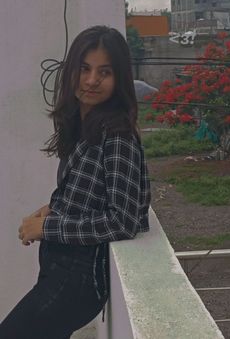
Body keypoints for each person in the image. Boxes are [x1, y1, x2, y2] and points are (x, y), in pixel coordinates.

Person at [0, 25, 151, 339]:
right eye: (84, 69)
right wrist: (52, 208)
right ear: (71, 71)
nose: (92, 80)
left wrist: (47, 228)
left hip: (79, 281)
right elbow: (87, 193)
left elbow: (123, 220)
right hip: (59, 273)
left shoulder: (117, 134)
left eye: (104, 72)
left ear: (118, 79)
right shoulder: (84, 123)